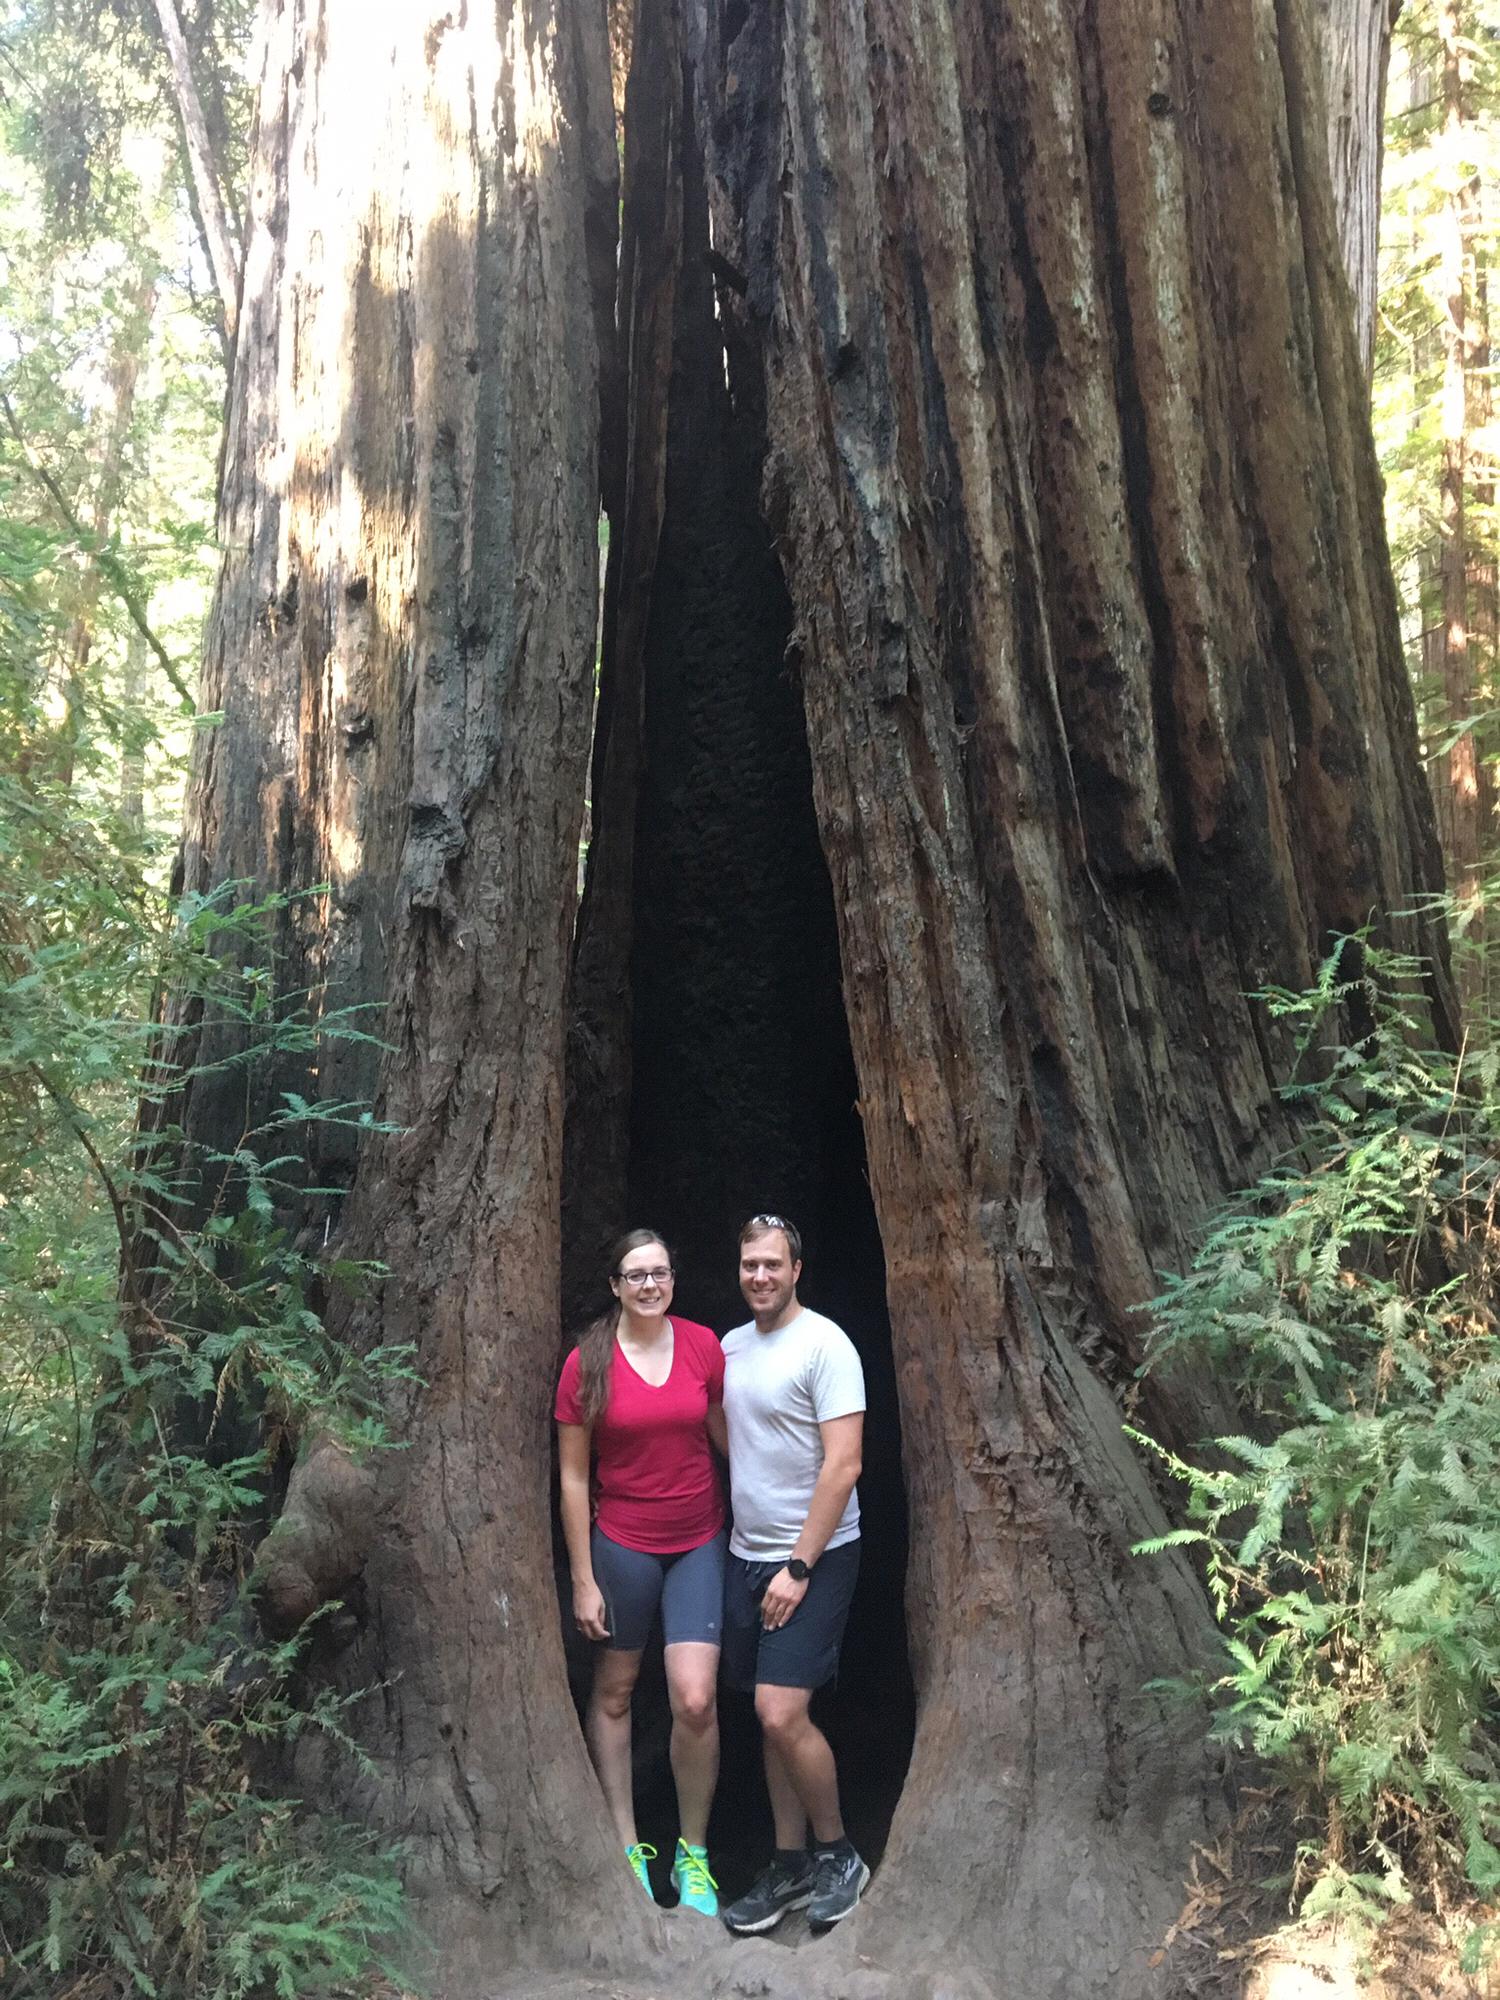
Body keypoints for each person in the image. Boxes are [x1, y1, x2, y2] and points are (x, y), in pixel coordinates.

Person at [555, 1229, 727, 1916]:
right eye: (635, 1275)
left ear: (673, 1280)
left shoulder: (702, 1347)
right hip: (622, 1544)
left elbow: (723, 1433)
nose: (649, 1285)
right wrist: (582, 1577)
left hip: (699, 1539)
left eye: (660, 1273)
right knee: (617, 1691)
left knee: (694, 1699)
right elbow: (571, 1477)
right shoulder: (586, 1362)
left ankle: (694, 1855)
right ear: (615, 1285)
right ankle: (627, 1846)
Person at [718, 1214, 869, 1933]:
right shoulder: (731, 1347)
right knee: (765, 1715)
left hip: (815, 1556)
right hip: (748, 1555)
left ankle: (838, 1853)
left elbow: (845, 1463)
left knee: (781, 1710)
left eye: (773, 1264)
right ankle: (789, 1863)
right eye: (750, 1264)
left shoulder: (826, 1345)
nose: (760, 1276)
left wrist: (800, 1565)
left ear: (796, 1268)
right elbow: (730, 1432)